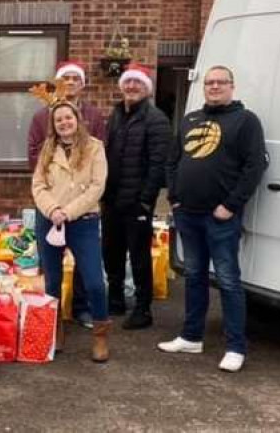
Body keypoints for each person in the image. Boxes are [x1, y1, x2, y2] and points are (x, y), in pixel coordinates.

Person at [158, 66, 268, 373]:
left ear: (232, 86)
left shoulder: (245, 121)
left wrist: (231, 205)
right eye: (209, 83)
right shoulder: (191, 119)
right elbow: (172, 161)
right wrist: (175, 199)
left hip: (220, 217)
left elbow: (254, 166)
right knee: (193, 276)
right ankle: (192, 336)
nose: (214, 86)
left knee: (229, 281)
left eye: (221, 82)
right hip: (188, 214)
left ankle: (236, 347)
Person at [28, 60, 108, 329]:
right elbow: (38, 184)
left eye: (68, 118)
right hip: (49, 218)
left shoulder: (95, 147)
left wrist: (68, 212)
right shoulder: (47, 149)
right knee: (52, 280)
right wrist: (52, 210)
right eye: (59, 119)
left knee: (94, 281)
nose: (64, 122)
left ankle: (99, 331)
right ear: (54, 123)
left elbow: (98, 185)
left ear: (78, 120)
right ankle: (54, 331)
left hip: (82, 220)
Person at [102, 63, 171, 330]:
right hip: (112, 199)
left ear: (146, 89)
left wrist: (145, 200)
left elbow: (158, 165)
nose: (131, 87)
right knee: (111, 251)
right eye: (127, 83)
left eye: (137, 84)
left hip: (137, 203)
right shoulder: (116, 115)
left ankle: (143, 309)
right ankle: (116, 298)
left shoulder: (156, 119)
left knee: (139, 255)